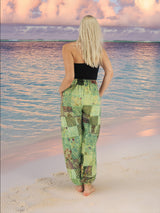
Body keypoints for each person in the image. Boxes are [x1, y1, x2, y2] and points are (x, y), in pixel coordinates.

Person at [59, 15, 113, 196]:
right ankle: (88, 185)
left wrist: (60, 91)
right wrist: (98, 94)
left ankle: (77, 183)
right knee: (89, 140)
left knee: (72, 138)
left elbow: (69, 77)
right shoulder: (98, 50)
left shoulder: (68, 48)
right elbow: (110, 72)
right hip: (91, 94)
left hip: (72, 95)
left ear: (81, 29)